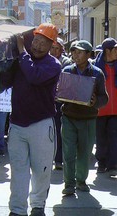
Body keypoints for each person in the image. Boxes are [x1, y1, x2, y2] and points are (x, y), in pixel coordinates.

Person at [0, 23, 61, 216]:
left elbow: (34, 76)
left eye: (43, 42)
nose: (37, 45)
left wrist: (21, 51)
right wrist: (8, 56)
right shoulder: (22, 59)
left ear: (52, 45)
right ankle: (17, 210)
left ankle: (37, 206)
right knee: (18, 170)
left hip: (41, 124)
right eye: (35, 40)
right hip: (17, 124)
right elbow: (4, 81)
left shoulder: (53, 64)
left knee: (41, 170)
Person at [61, 40, 108, 196]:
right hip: (68, 117)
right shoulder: (67, 70)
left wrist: (96, 102)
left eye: (80, 52)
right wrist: (58, 94)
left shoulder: (97, 73)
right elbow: (59, 94)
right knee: (68, 152)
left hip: (88, 119)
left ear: (89, 55)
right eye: (74, 52)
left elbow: (104, 98)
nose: (76, 55)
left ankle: (81, 181)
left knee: (84, 153)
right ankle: (69, 184)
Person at [94, 37, 117, 177]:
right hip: (100, 110)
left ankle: (113, 164)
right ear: (107, 50)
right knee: (101, 138)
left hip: (115, 111)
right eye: (115, 49)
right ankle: (101, 163)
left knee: (114, 137)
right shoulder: (96, 68)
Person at [50, 37, 72, 170]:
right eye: (52, 48)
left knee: (59, 130)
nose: (54, 51)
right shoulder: (45, 60)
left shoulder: (66, 62)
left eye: (57, 48)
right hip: (46, 100)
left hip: (61, 102)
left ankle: (59, 159)